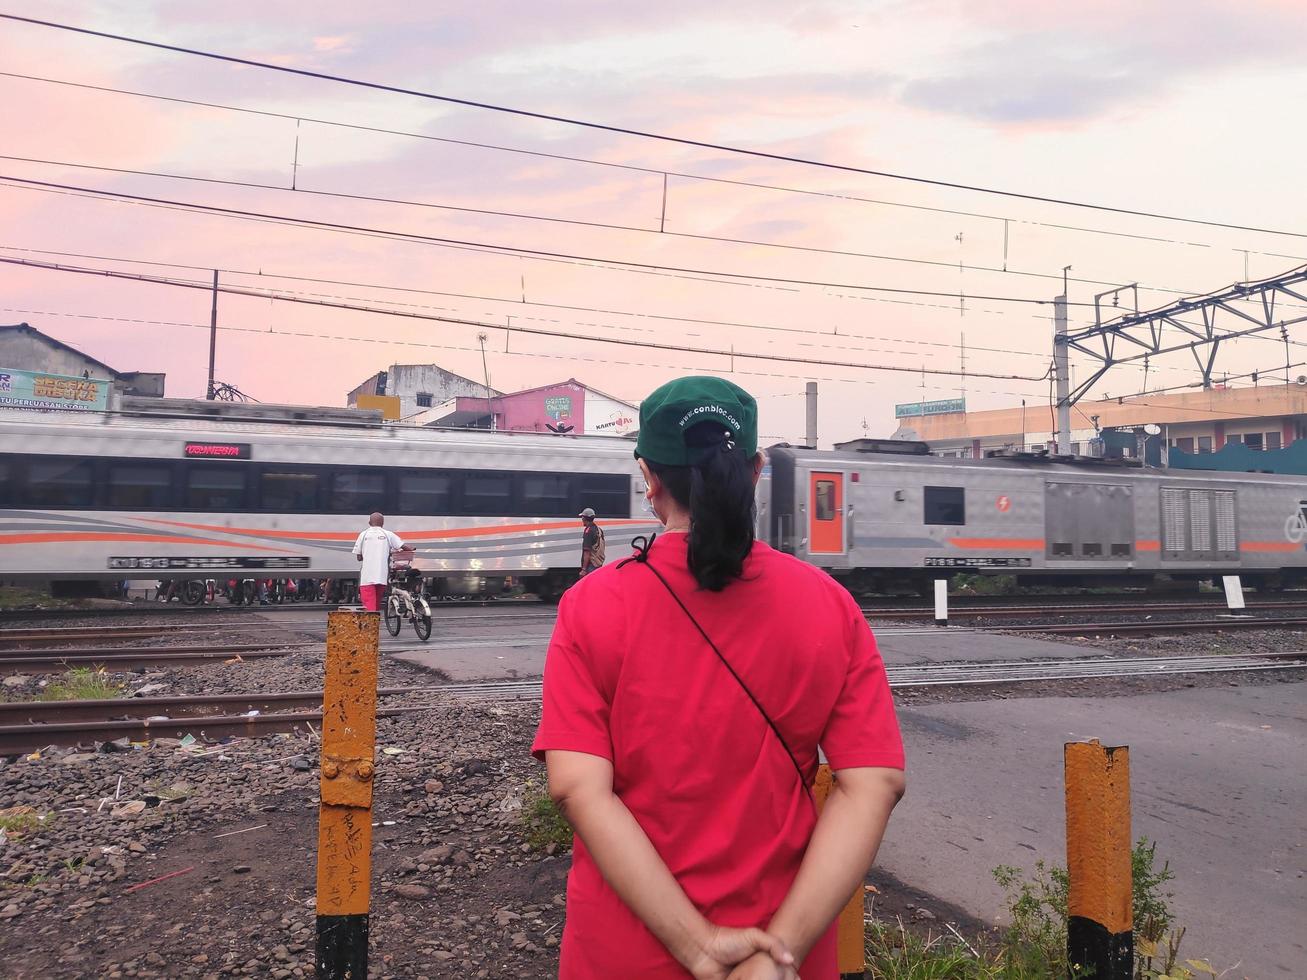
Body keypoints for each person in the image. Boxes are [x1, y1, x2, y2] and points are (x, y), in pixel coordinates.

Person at [532, 376, 905, 980]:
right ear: (755, 470)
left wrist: (700, 947)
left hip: (623, 952)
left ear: (649, 478)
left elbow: (578, 789)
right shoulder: (830, 605)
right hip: (786, 958)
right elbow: (874, 784)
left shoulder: (593, 605)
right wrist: (780, 952)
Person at [352, 512, 414, 612]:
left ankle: (372, 626)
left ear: (369, 522)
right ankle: (375, 625)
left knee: (369, 607)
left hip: (367, 578)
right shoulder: (388, 534)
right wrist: (412, 548)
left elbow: (359, 557)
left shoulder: (363, 535)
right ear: (383, 523)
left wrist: (369, 554)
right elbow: (404, 546)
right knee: (376, 604)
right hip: (381, 576)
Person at [578, 508, 606, 576]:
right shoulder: (599, 530)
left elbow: (587, 551)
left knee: (588, 585)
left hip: (591, 565)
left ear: (584, 518)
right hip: (598, 563)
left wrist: (584, 569)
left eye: (582, 517)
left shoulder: (588, 531)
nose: (581, 519)